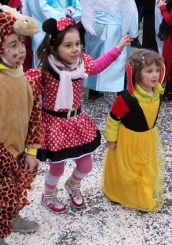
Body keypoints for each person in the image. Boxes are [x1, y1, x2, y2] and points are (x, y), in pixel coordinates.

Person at [26, 16, 132, 214]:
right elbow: (22, 92)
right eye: (68, 45)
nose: (75, 49)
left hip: (76, 122)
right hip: (53, 125)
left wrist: (118, 48)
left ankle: (72, 185)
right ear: (53, 47)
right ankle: (48, 194)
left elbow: (99, 64)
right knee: (56, 168)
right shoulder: (44, 72)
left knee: (86, 165)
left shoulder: (81, 66)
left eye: (78, 44)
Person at [102, 49, 166, 211]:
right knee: (127, 167)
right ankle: (121, 191)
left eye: (157, 70)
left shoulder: (157, 93)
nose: (154, 75)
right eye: (149, 71)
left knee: (145, 166)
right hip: (128, 139)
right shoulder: (127, 98)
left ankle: (142, 193)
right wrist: (111, 139)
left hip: (147, 138)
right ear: (137, 73)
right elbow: (114, 118)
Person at [0, 5, 41, 245]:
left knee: (14, 190)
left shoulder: (26, 81)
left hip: (18, 151)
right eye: (11, 44)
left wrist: (32, 151)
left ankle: (11, 218)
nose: (20, 50)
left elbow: (35, 117)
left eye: (21, 43)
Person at [80, 0, 138, 100]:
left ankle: (93, 90)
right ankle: (120, 93)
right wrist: (133, 32)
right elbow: (131, 8)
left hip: (96, 25)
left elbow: (84, 5)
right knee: (119, 60)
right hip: (116, 27)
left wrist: (87, 24)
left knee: (95, 57)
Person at [23, 0, 83, 68]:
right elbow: (42, 9)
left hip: (66, 32)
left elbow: (78, 8)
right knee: (43, 64)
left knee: (66, 64)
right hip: (43, 31)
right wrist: (65, 16)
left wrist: (70, 11)